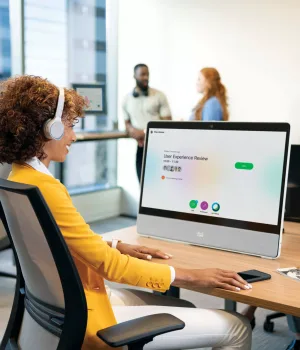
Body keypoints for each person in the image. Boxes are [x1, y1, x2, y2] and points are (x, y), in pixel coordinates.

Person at [0, 75, 252, 350]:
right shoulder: (47, 188)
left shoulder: (20, 177)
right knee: (236, 327)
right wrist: (193, 276)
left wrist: (117, 245)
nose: (73, 136)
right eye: (70, 127)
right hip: (89, 317)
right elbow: (110, 266)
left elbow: (57, 242)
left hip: (58, 314)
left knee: (183, 305)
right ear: (52, 129)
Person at [123, 64, 172, 182]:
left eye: (147, 74)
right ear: (134, 76)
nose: (146, 77)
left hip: (158, 148)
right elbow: (127, 123)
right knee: (142, 184)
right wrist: (133, 132)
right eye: (142, 74)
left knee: (159, 185)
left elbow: (168, 123)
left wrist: (145, 132)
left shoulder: (159, 96)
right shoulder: (127, 99)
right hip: (140, 147)